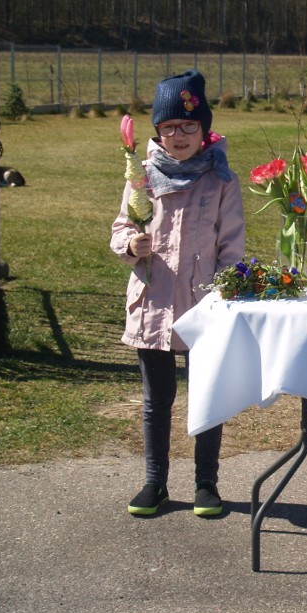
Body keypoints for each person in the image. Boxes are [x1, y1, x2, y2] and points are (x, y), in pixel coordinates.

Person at [111, 69, 245, 517]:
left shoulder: (222, 178)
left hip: (204, 306)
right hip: (152, 304)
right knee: (157, 401)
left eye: (189, 126)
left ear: (204, 129)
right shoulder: (142, 177)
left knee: (206, 395)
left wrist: (223, 297)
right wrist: (131, 244)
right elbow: (122, 226)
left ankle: (206, 484)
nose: (179, 135)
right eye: (169, 128)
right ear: (158, 133)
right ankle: (156, 482)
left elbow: (232, 246)